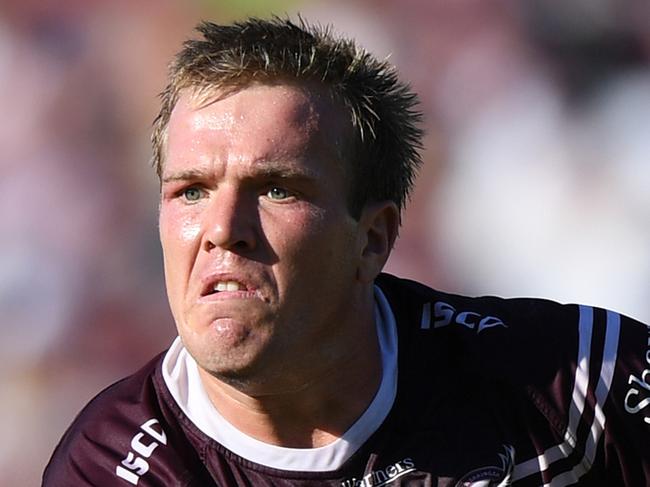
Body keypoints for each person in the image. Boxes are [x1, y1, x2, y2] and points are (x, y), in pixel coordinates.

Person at [43, 17, 650, 487]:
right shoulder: (115, 467)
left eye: (277, 189)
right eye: (191, 191)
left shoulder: (568, 386)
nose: (223, 228)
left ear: (374, 238)